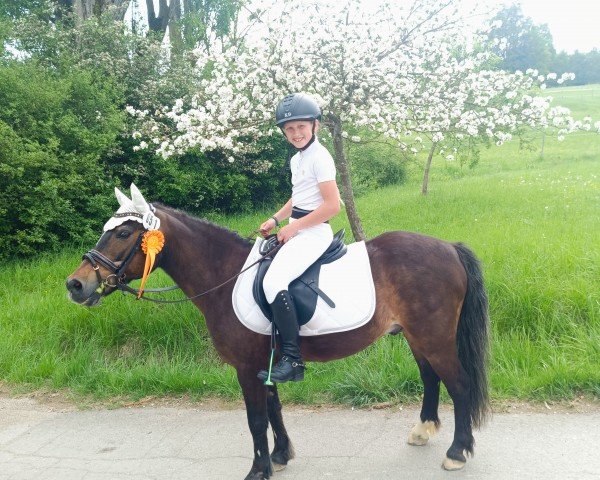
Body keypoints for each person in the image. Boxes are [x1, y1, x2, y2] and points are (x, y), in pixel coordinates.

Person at [256, 93, 341, 384]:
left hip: (314, 232)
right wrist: (277, 219)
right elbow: (299, 197)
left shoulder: (321, 158)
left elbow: (332, 206)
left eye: (301, 127)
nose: (295, 133)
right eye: (289, 129)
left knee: (272, 281)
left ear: (315, 125)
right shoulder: (298, 159)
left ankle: (293, 360)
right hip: (297, 227)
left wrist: (294, 229)